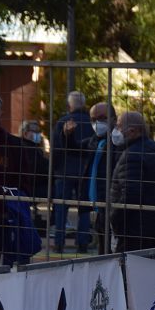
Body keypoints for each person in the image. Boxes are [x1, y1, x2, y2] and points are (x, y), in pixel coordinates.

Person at [108, 111, 155, 252]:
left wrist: (114, 219)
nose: (115, 131)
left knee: (127, 270)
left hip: (134, 229)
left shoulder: (132, 155)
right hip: (154, 225)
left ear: (133, 131)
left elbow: (130, 194)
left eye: (119, 126)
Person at [52, 90, 96, 253]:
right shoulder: (91, 123)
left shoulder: (62, 122)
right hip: (85, 171)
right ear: (83, 104)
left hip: (64, 171)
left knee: (61, 208)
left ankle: (59, 242)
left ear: (69, 105)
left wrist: (54, 170)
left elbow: (56, 149)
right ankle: (83, 242)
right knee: (84, 208)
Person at [83, 103, 117, 254]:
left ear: (114, 119)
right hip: (99, 201)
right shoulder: (94, 141)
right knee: (103, 244)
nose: (97, 123)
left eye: (102, 118)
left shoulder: (117, 142)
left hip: (112, 202)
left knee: (112, 247)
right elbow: (75, 148)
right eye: (93, 119)